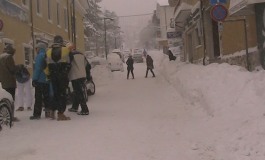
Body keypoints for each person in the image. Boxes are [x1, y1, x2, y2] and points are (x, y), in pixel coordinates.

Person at [45, 35, 71, 121]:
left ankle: (52, 112)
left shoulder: (48, 51)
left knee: (55, 94)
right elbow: (70, 61)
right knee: (62, 94)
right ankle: (61, 113)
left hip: (53, 75)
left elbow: (45, 65)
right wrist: (66, 71)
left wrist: (48, 74)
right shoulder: (66, 49)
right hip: (62, 75)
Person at [67, 43, 89, 115]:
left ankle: (84, 109)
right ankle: (75, 107)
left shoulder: (70, 55)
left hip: (75, 75)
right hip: (82, 75)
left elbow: (68, 65)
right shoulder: (81, 54)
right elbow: (87, 65)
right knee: (78, 91)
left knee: (79, 92)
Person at [30, 42, 51, 120]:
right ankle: (48, 113)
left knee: (38, 98)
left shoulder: (39, 56)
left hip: (40, 80)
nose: (36, 50)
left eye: (37, 48)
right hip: (47, 80)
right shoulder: (47, 55)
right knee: (46, 97)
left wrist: (34, 79)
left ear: (40, 48)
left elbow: (38, 69)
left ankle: (37, 114)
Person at [0, 44, 19, 121]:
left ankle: (4, 115)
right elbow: (12, 69)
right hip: (10, 81)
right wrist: (18, 67)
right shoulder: (9, 57)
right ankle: (11, 116)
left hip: (3, 82)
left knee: (5, 99)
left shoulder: (0, 57)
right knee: (11, 99)